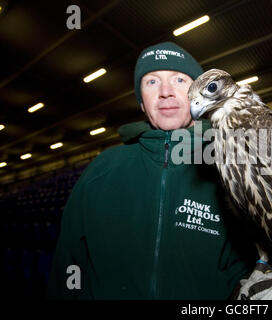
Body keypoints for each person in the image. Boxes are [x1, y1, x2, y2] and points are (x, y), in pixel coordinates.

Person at [46, 41, 257, 299]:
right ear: (142, 103)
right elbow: (68, 265)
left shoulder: (229, 165)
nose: (166, 91)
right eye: (152, 82)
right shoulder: (101, 170)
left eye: (180, 80)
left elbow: (244, 265)